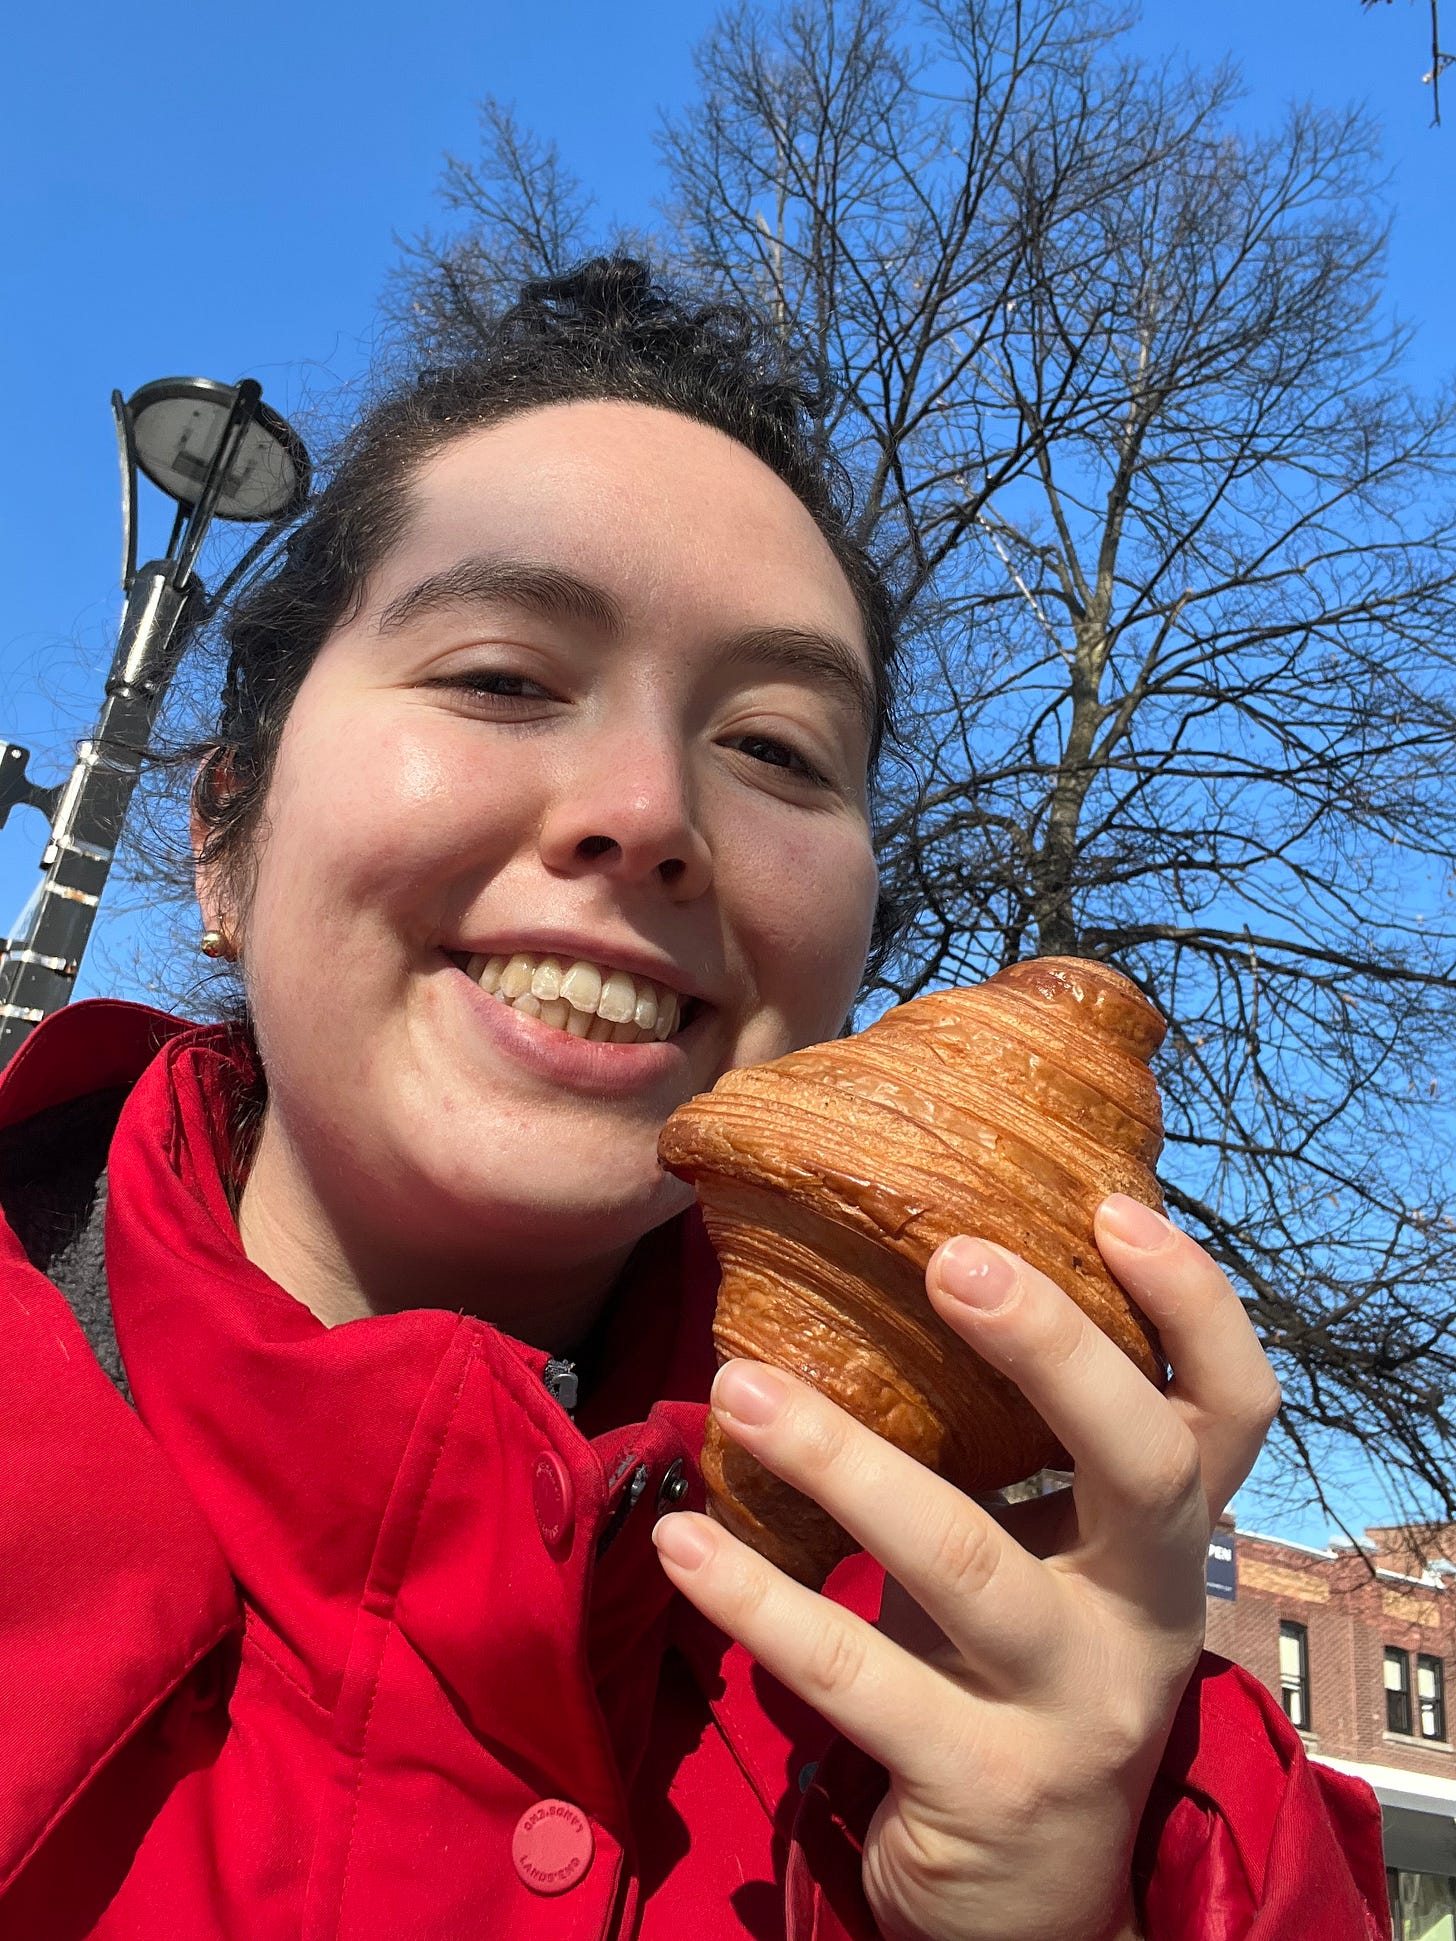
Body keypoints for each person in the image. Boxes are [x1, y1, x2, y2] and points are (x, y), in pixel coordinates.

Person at [0, 258, 1389, 1941]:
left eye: (781, 748)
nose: (649, 808)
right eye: (504, 676)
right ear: (226, 834)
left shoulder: (1130, 1776)